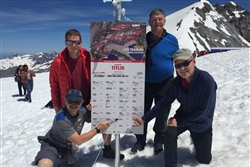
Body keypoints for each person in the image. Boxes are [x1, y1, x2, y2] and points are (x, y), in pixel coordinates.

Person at [133, 48, 217, 167]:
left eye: (185, 63)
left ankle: (196, 137)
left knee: (204, 160)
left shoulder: (206, 81)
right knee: (169, 132)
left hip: (201, 123)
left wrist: (180, 122)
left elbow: (203, 112)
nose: (182, 69)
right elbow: (163, 103)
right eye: (178, 66)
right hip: (184, 115)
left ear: (193, 62)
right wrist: (144, 119)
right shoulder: (177, 83)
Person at [49, 29, 124, 160]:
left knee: (105, 117)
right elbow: (54, 86)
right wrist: (57, 108)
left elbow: (98, 78)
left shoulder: (89, 58)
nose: (74, 45)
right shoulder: (58, 63)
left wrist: (94, 98)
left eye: (77, 42)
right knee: (70, 133)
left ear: (81, 43)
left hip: (88, 102)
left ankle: (107, 149)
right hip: (69, 105)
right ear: (65, 43)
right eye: (70, 42)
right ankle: (66, 153)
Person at [130, 8, 179, 155]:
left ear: (164, 21)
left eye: (160, 19)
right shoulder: (140, 40)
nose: (157, 21)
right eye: (154, 19)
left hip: (166, 83)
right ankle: (140, 140)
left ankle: (159, 141)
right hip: (144, 83)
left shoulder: (172, 40)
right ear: (149, 22)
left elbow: (177, 60)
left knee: (162, 113)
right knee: (140, 112)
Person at [34, 89, 111, 167]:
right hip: (52, 144)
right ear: (65, 101)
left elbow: (100, 118)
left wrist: (95, 109)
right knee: (45, 163)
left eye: (77, 102)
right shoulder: (61, 119)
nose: (73, 104)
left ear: (82, 102)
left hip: (68, 147)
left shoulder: (83, 111)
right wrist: (98, 129)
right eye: (70, 101)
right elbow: (78, 140)